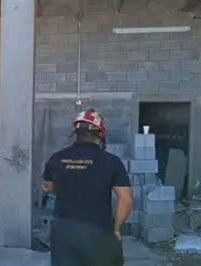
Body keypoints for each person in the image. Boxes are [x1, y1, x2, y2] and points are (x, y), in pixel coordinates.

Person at [42, 108, 133, 266]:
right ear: (101, 134)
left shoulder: (56, 158)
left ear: (76, 132)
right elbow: (126, 200)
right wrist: (116, 228)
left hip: (63, 232)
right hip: (97, 231)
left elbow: (47, 187)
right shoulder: (111, 162)